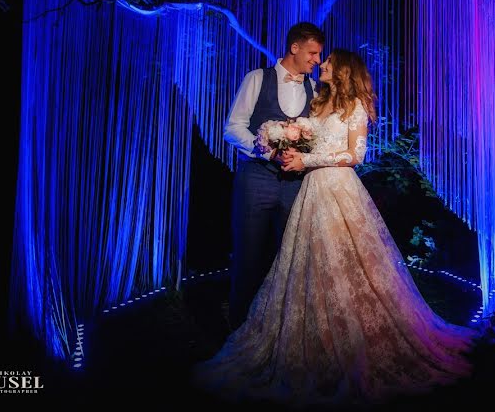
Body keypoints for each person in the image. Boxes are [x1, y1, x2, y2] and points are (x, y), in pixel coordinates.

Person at [194, 49, 477, 405]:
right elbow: (307, 136)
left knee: (348, 264)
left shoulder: (354, 105)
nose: (321, 65)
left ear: (342, 71)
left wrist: (306, 159)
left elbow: (355, 155)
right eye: (320, 59)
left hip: (339, 188)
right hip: (311, 190)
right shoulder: (317, 104)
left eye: (327, 62)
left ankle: (355, 339)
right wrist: (284, 137)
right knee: (310, 265)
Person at [222, 21, 325, 330]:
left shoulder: (315, 89)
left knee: (290, 261)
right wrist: (267, 151)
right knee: (248, 258)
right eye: (313, 53)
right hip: (256, 178)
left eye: (319, 55)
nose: (316, 61)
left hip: (296, 185)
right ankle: (238, 330)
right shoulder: (257, 78)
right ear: (294, 47)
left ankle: (281, 333)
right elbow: (233, 127)